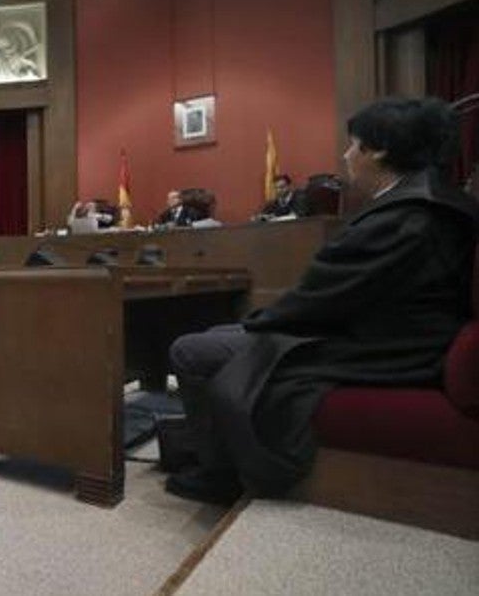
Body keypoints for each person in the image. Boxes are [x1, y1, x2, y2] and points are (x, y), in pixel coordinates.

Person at [164, 97, 478, 504]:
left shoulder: (408, 217)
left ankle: (219, 474)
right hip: (392, 333)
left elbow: (320, 299)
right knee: (225, 333)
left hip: (384, 349)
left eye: (353, 145)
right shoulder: (430, 202)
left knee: (191, 350)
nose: (347, 157)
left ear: (378, 150)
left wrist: (259, 322)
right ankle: (213, 451)